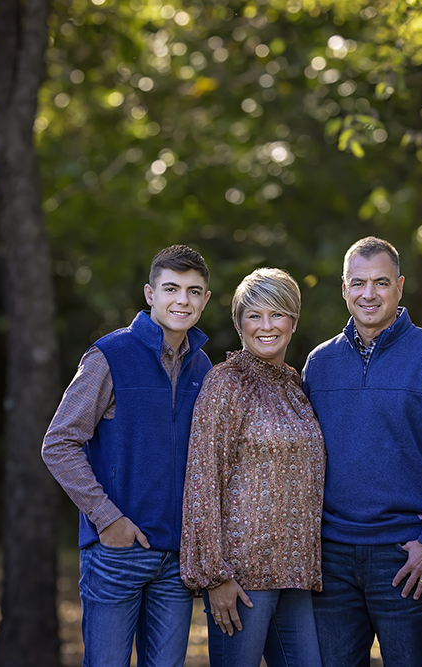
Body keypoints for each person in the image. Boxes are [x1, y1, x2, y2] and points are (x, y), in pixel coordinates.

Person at [301, 236, 422, 667]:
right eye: (358, 283)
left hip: (405, 556)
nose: (369, 293)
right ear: (344, 290)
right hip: (332, 557)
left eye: (381, 282)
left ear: (400, 286)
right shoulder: (319, 363)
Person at [42, 245, 213, 667]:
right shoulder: (109, 355)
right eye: (171, 288)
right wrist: (107, 518)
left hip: (176, 562)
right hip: (117, 553)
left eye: (194, 291)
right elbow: (59, 442)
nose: (182, 300)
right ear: (149, 294)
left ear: (206, 300)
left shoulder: (204, 367)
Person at [180, 268, 325, 667]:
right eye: (254, 315)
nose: (266, 326)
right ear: (238, 322)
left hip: (295, 574)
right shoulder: (226, 383)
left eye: (277, 314)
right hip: (241, 580)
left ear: (293, 322)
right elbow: (202, 481)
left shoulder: (294, 386)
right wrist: (214, 575)